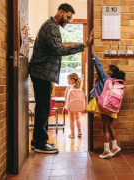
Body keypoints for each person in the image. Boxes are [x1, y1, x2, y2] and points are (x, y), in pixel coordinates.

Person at [28, 3, 93, 153]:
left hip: (44, 74)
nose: (69, 21)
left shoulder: (52, 27)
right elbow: (60, 49)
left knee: (44, 107)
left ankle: (39, 139)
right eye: (68, 17)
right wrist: (83, 46)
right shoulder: (51, 27)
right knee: (43, 108)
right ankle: (39, 143)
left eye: (70, 19)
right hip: (42, 73)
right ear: (60, 12)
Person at [87, 46, 126, 159]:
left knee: (105, 128)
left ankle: (106, 151)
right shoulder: (116, 82)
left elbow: (98, 67)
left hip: (105, 105)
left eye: (107, 69)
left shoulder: (106, 78)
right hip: (113, 107)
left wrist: (94, 56)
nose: (104, 70)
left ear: (110, 72)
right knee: (110, 126)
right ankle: (114, 146)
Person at [64, 73, 83, 139]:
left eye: (68, 79)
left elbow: (66, 99)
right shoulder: (80, 89)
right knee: (77, 118)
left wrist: (66, 106)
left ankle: (72, 133)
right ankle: (79, 131)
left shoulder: (70, 89)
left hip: (71, 107)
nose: (67, 81)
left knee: (72, 120)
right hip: (78, 107)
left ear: (72, 80)